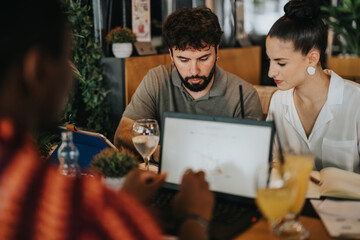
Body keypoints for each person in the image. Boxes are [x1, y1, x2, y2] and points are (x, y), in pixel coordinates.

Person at [0, 1, 214, 239]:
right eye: (68, 57)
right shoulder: (81, 211)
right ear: (36, 68)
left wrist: (124, 201)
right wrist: (194, 218)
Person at [114, 7, 263, 158]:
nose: (194, 71)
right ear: (171, 55)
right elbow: (122, 134)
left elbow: (251, 156)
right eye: (183, 60)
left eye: (203, 58)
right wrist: (164, 154)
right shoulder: (157, 79)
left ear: (217, 50)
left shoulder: (244, 95)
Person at [266, 0, 360, 173]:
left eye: (281, 63)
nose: (270, 73)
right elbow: (272, 164)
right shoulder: (278, 101)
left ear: (312, 59)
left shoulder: (356, 101)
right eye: (270, 60)